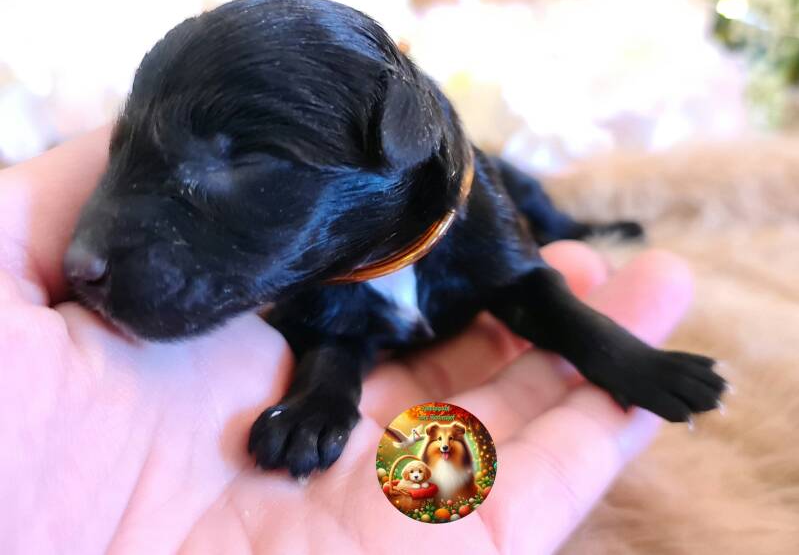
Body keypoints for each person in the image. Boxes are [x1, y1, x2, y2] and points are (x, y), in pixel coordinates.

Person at [0, 128, 694, 554]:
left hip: (474, 215)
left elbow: (528, 291)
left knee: (525, 200)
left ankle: (566, 221)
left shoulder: (463, 208)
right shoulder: (316, 257)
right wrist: (321, 401)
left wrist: (619, 359)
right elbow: (334, 338)